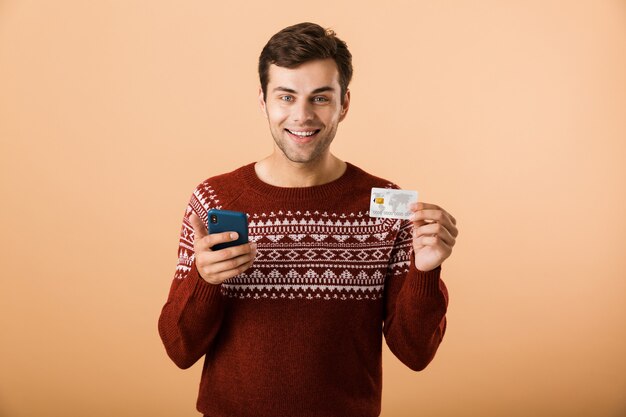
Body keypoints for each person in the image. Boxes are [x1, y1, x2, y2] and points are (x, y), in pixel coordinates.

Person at [158, 22, 458, 417]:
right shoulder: (213, 198)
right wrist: (205, 280)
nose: (302, 116)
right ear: (263, 101)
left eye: (320, 97)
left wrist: (425, 271)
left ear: (344, 103)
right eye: (286, 96)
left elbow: (416, 353)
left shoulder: (387, 205)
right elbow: (179, 349)